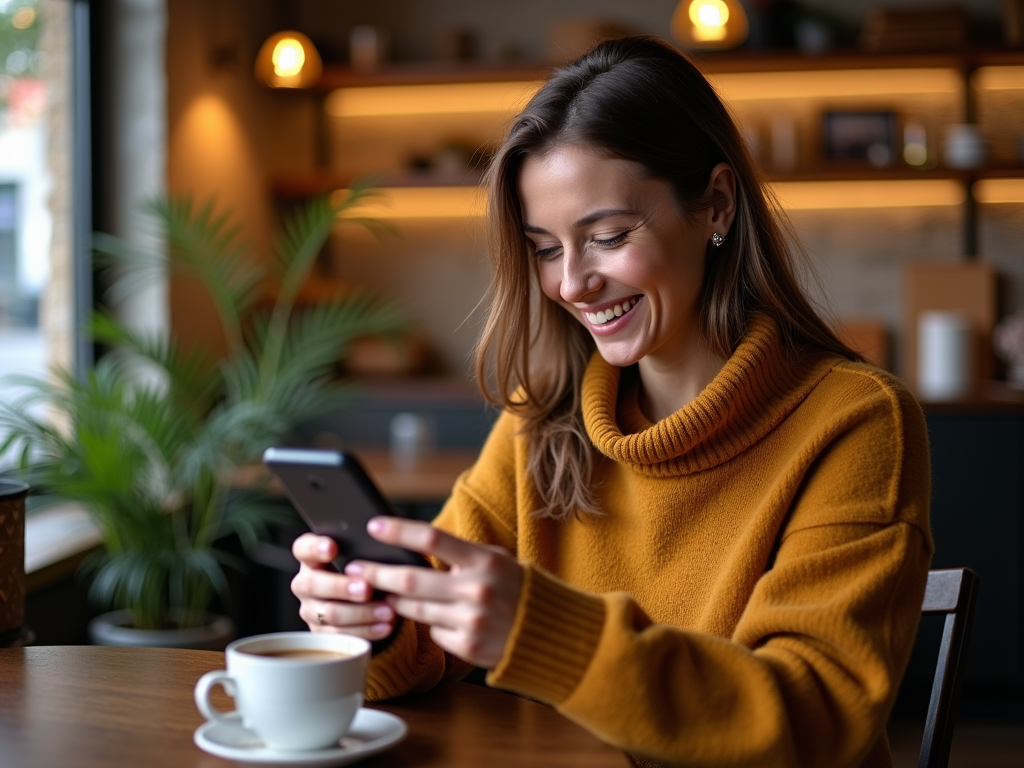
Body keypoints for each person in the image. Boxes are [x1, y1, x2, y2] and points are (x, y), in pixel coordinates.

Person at [291, 35, 932, 768]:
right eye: (546, 248)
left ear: (715, 204)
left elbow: (814, 718)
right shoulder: (545, 418)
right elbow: (418, 654)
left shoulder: (853, 421)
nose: (572, 284)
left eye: (608, 236)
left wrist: (543, 633)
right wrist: (372, 623)